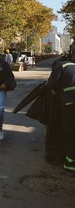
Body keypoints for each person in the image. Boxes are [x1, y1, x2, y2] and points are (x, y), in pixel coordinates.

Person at [46, 42, 75, 177]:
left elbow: (51, 84)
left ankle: (70, 165)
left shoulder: (64, 66)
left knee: (71, 134)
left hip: (70, 104)